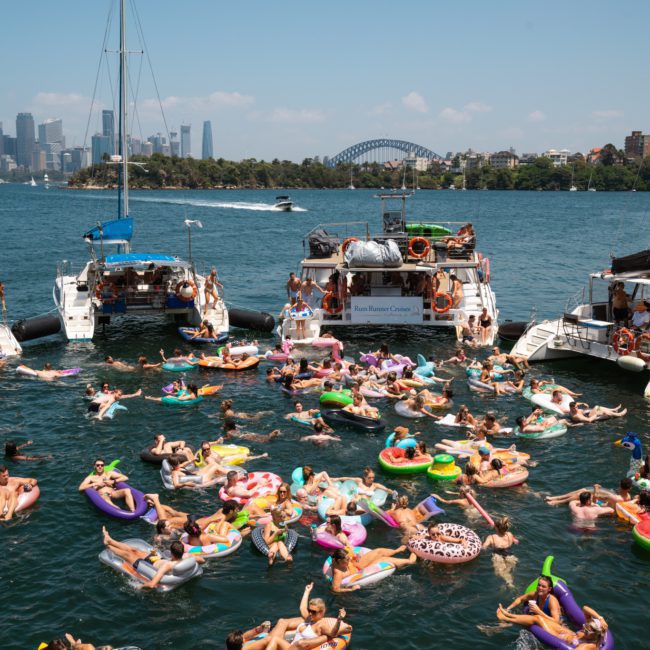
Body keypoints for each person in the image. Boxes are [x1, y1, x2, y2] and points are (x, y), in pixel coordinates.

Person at [101, 527, 201, 589]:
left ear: (171, 553)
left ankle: (108, 546)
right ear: (182, 551)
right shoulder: (187, 556)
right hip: (156, 559)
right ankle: (110, 540)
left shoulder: (168, 565)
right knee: (135, 550)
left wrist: (139, 587)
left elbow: (152, 584)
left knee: (128, 555)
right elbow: (202, 560)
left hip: (149, 565)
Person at [265, 582, 352, 648]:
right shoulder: (310, 619)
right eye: (309, 610)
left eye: (313, 612)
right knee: (279, 627)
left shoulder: (322, 625)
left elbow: (333, 633)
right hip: (291, 646)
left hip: (296, 648)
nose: (310, 613)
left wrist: (339, 620)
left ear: (321, 612)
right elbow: (302, 609)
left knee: (275, 640)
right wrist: (307, 591)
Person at [496, 603, 609, 650]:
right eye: (585, 626)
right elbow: (585, 608)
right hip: (566, 632)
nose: (584, 629)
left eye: (587, 629)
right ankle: (508, 615)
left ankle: (505, 618)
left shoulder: (589, 646)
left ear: (594, 633)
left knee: (538, 618)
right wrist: (600, 618)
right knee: (540, 618)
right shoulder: (593, 633)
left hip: (559, 638)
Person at [329, 545, 416, 592]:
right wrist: (351, 589)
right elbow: (335, 589)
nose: (349, 559)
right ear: (339, 561)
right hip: (359, 572)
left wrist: (355, 557)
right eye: (347, 559)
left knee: (378, 551)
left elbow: (348, 555)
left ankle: (397, 550)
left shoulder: (340, 561)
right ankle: (409, 561)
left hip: (356, 565)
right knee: (382, 560)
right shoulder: (338, 573)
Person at [482, 516, 519, 588]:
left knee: (500, 572)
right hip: (510, 554)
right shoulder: (510, 534)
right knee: (508, 570)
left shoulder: (491, 537)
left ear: (496, 528)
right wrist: (515, 541)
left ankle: (508, 583)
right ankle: (511, 583)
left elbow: (484, 547)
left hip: (497, 555)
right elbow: (516, 541)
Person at [545, 478, 633, 508]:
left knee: (582, 493)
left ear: (620, 485)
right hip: (606, 503)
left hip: (600, 506)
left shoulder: (613, 497)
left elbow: (595, 498)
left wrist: (596, 488)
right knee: (583, 490)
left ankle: (557, 501)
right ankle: (556, 497)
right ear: (630, 488)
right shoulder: (628, 497)